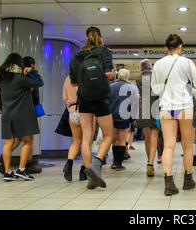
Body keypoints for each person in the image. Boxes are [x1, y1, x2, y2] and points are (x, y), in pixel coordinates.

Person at [151, 34, 196, 196]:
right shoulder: (187, 62)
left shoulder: (158, 64)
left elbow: (155, 88)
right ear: (180, 46)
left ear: (166, 48)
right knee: (187, 145)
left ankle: (169, 184)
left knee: (168, 146)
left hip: (166, 107)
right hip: (185, 107)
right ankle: (188, 180)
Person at [69, 26, 116, 190]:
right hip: (101, 98)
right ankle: (96, 164)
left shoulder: (76, 57)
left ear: (86, 37)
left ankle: (90, 178)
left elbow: (73, 83)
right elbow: (109, 74)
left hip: (84, 99)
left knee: (86, 138)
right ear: (100, 37)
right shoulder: (104, 51)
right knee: (109, 135)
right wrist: (113, 74)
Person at [0, 53, 43, 181]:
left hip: (6, 114)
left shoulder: (3, 80)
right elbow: (40, 82)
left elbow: (0, 100)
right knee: (28, 141)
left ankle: (7, 172)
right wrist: (32, 70)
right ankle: (21, 170)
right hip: (23, 114)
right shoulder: (19, 78)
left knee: (8, 143)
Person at [62, 75, 95, 182]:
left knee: (76, 141)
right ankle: (83, 171)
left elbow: (64, 97)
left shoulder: (68, 78)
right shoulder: (87, 77)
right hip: (86, 111)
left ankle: (69, 164)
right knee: (87, 142)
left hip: (72, 112)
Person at [109, 69, 139, 171]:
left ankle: (114, 162)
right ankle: (119, 163)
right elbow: (135, 103)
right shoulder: (132, 88)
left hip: (111, 116)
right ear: (127, 77)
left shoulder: (110, 87)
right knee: (122, 139)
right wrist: (133, 118)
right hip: (124, 117)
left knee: (114, 139)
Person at [135, 59, 160, 177]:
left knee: (147, 136)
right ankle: (152, 161)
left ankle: (149, 163)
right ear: (150, 67)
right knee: (155, 134)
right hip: (155, 106)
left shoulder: (138, 79)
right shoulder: (155, 77)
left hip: (143, 108)